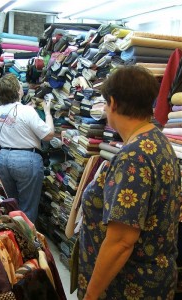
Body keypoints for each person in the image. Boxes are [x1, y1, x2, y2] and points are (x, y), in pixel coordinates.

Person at [78, 65, 181, 300]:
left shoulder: (134, 157)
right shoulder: (158, 140)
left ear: (113, 103)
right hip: (154, 279)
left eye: (104, 103)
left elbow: (122, 242)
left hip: (128, 287)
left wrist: (91, 295)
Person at [0, 73, 54, 223]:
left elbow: (14, 119)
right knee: (27, 208)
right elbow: (48, 135)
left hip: (3, 157)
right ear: (17, 91)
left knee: (11, 204)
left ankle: (14, 240)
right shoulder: (27, 112)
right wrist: (47, 113)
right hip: (26, 160)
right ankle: (29, 243)